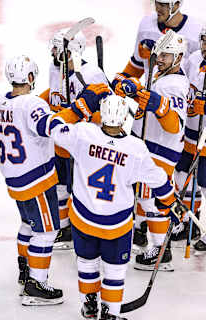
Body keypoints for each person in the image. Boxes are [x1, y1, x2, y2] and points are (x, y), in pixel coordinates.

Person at [39, 90, 187, 320]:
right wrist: (172, 204)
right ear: (123, 118)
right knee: (115, 270)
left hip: (83, 219)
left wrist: (79, 108)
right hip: (116, 225)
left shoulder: (83, 133)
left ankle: (89, 305)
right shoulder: (136, 149)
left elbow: (52, 126)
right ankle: (111, 313)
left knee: (87, 262)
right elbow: (159, 180)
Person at [0, 55, 63, 305]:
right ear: (30, 77)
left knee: (28, 224)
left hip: (14, 177)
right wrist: (74, 112)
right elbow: (50, 128)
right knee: (47, 230)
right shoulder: (32, 103)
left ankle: (25, 270)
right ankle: (36, 284)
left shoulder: (0, 101)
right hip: (36, 178)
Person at [116, 30, 189, 271]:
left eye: (166, 56)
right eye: (159, 54)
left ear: (178, 58)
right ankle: (154, 243)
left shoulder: (176, 85)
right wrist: (127, 87)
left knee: (151, 199)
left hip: (161, 151)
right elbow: (134, 87)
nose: (160, 58)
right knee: (144, 195)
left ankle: (160, 250)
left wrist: (159, 106)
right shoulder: (157, 74)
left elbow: (174, 126)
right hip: (146, 145)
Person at [39, 29, 109, 250]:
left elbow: (109, 111)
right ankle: (65, 228)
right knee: (60, 187)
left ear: (73, 52)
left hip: (84, 145)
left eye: (58, 51)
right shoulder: (55, 67)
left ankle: (86, 229)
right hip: (61, 142)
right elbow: (54, 94)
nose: (54, 54)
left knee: (81, 190)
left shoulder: (91, 74)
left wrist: (84, 111)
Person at [179, 25, 206, 250]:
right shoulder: (195, 58)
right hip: (189, 132)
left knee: (205, 185)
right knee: (184, 178)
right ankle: (189, 221)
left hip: (205, 138)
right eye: (204, 40)